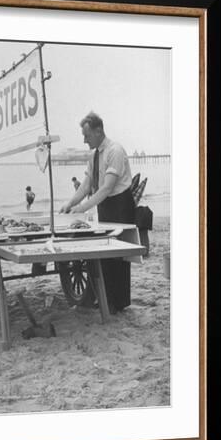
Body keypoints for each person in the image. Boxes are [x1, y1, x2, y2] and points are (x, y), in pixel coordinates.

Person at [59, 111, 135, 312]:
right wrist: (69, 205)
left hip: (120, 205)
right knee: (104, 252)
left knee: (118, 255)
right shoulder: (93, 156)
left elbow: (107, 188)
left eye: (87, 135)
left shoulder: (115, 151)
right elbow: (86, 186)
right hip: (105, 205)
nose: (84, 140)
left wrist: (82, 208)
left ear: (99, 130)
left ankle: (118, 302)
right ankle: (106, 298)